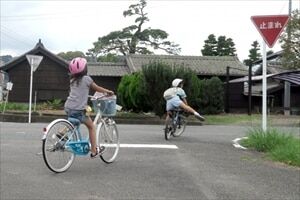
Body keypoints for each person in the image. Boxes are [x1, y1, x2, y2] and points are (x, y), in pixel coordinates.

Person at [64, 57, 114, 158]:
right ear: (85, 69)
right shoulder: (87, 79)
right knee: (91, 127)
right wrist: (108, 92)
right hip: (78, 110)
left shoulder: (72, 80)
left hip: (68, 107)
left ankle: (61, 133)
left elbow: (78, 93)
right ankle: (94, 150)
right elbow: (97, 88)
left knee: (73, 123)